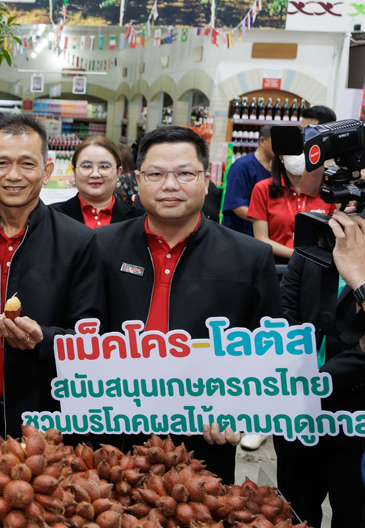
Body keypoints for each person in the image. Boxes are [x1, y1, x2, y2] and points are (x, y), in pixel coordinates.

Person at [94, 127, 281, 482]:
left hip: (205, 434)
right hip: (113, 427)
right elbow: (83, 327)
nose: (170, 185)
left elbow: (268, 351)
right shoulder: (101, 246)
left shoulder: (250, 257)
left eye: (184, 173)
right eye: (156, 174)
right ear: (138, 180)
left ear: (206, 179)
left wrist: (241, 410)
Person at [0, 115, 105, 435]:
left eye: (26, 163)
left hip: (45, 413)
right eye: (1, 163)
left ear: (46, 171)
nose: (13, 175)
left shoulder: (77, 241)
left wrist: (45, 338)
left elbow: (92, 335)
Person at [277, 211, 365, 528]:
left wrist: (321, 380)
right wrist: (295, 377)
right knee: (294, 518)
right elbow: (284, 315)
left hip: (354, 416)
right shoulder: (313, 245)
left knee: (351, 523)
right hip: (299, 413)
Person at [248, 150, 332, 261]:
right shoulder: (263, 189)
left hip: (318, 264)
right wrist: (296, 255)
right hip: (276, 263)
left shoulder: (326, 191)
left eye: (305, 151)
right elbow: (261, 238)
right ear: (281, 157)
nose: (300, 156)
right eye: (293, 151)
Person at [52, 136, 141, 228]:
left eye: (104, 167)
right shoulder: (52, 217)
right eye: (86, 166)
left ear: (118, 172)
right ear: (74, 171)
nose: (95, 174)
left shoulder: (138, 220)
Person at [221, 125, 273, 237]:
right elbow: (237, 205)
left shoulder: (278, 169)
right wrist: (266, 221)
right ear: (262, 141)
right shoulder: (241, 166)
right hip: (239, 234)